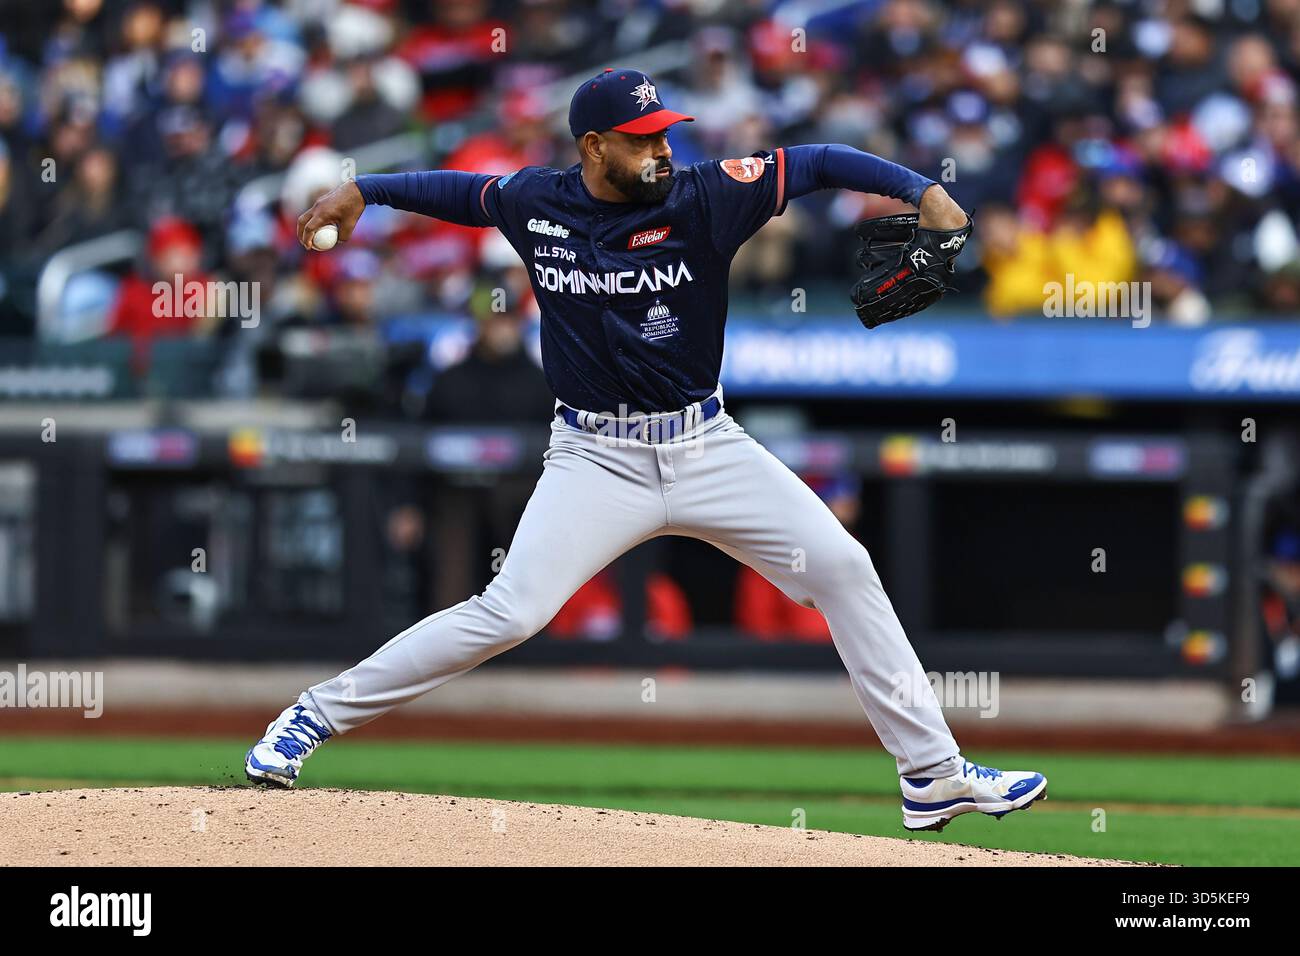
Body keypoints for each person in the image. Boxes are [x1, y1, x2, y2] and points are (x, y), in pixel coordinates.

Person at [245, 68, 1046, 833]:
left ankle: (932, 774)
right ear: (593, 147)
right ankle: (310, 717)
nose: (661, 150)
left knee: (843, 568)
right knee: (511, 611)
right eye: (640, 139)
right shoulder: (537, 202)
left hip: (707, 443)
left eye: (664, 134)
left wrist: (924, 190)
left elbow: (818, 161)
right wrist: (364, 190)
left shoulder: (707, 196)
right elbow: (458, 194)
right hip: (595, 457)